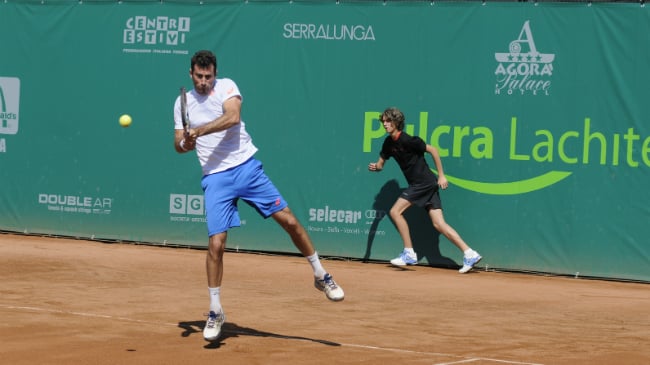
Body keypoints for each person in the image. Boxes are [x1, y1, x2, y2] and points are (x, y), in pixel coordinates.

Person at [173, 50, 344, 342]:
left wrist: (198, 131)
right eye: (199, 76)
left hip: (247, 168)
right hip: (215, 178)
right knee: (216, 244)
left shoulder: (227, 86)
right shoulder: (182, 102)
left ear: (215, 74)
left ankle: (320, 275)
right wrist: (186, 142)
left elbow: (232, 117)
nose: (204, 81)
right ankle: (215, 310)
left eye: (208, 76)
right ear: (191, 74)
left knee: (288, 221)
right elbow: (178, 144)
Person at [368, 107, 482, 274]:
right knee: (438, 224)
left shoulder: (408, 140)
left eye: (388, 121)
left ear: (396, 122)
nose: (385, 124)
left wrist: (441, 176)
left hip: (423, 183)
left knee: (395, 211)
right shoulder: (388, 143)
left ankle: (408, 253)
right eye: (383, 121)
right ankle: (469, 253)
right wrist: (376, 167)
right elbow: (381, 163)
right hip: (425, 184)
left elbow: (433, 150)